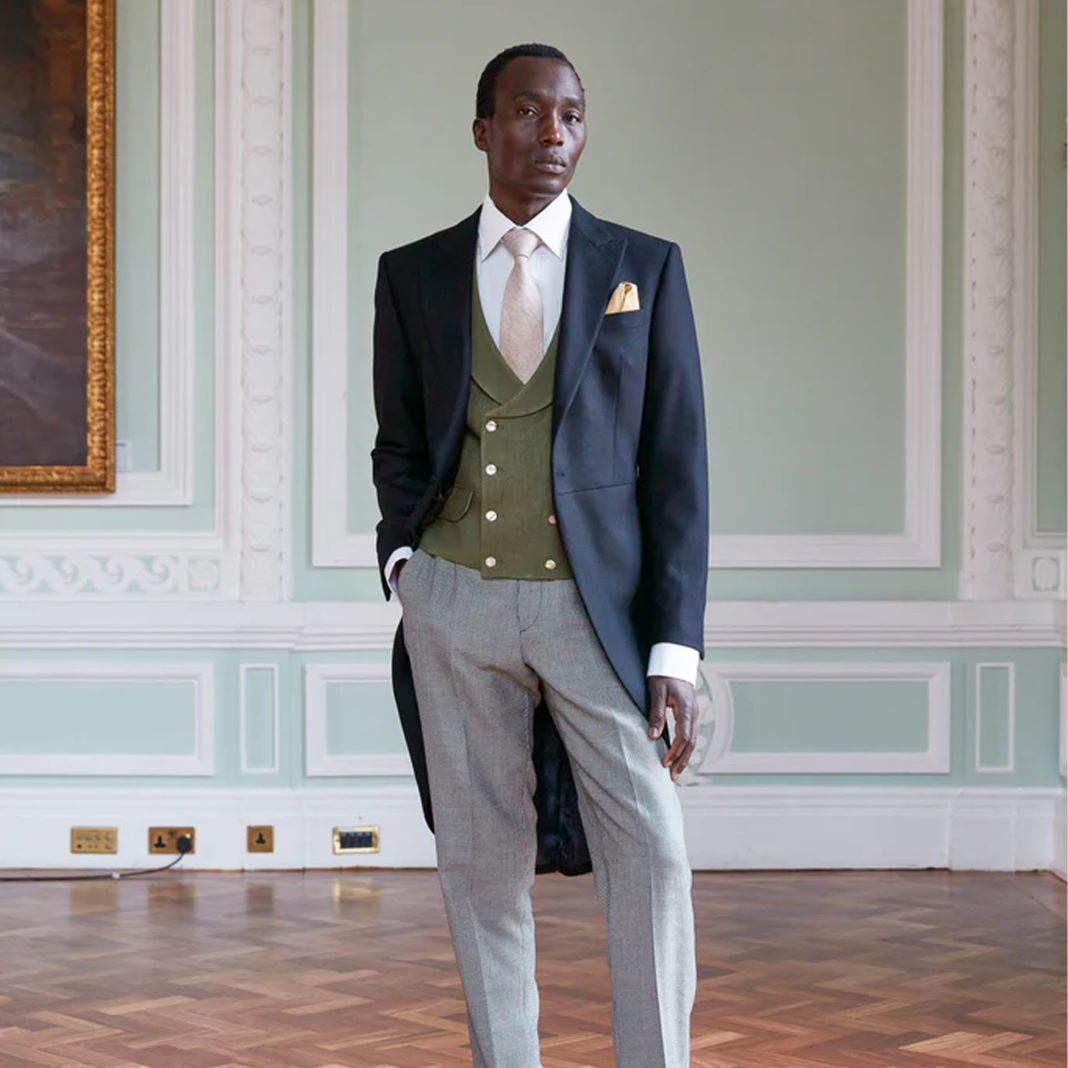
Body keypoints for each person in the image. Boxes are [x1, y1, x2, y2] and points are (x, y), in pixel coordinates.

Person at [370, 41, 708, 1068]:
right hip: (453, 604)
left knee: (649, 851)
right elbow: (398, 440)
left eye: (570, 114)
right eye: (528, 112)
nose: (553, 134)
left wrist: (675, 651)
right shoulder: (414, 274)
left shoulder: (642, 268)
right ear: (484, 129)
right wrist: (403, 567)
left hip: (591, 613)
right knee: (479, 865)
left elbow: (676, 466)